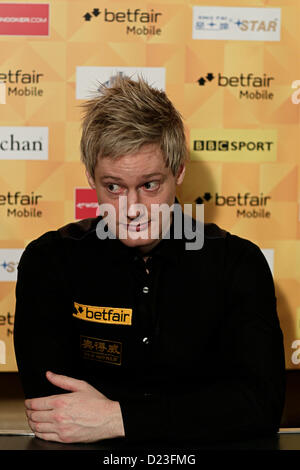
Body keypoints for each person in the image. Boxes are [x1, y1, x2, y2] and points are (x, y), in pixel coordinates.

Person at [13, 76, 285, 445]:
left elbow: (259, 407)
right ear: (91, 176)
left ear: (179, 172)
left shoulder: (237, 263)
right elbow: (55, 412)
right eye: (113, 187)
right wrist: (197, 411)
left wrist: (117, 418)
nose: (132, 209)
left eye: (149, 185)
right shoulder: (49, 260)